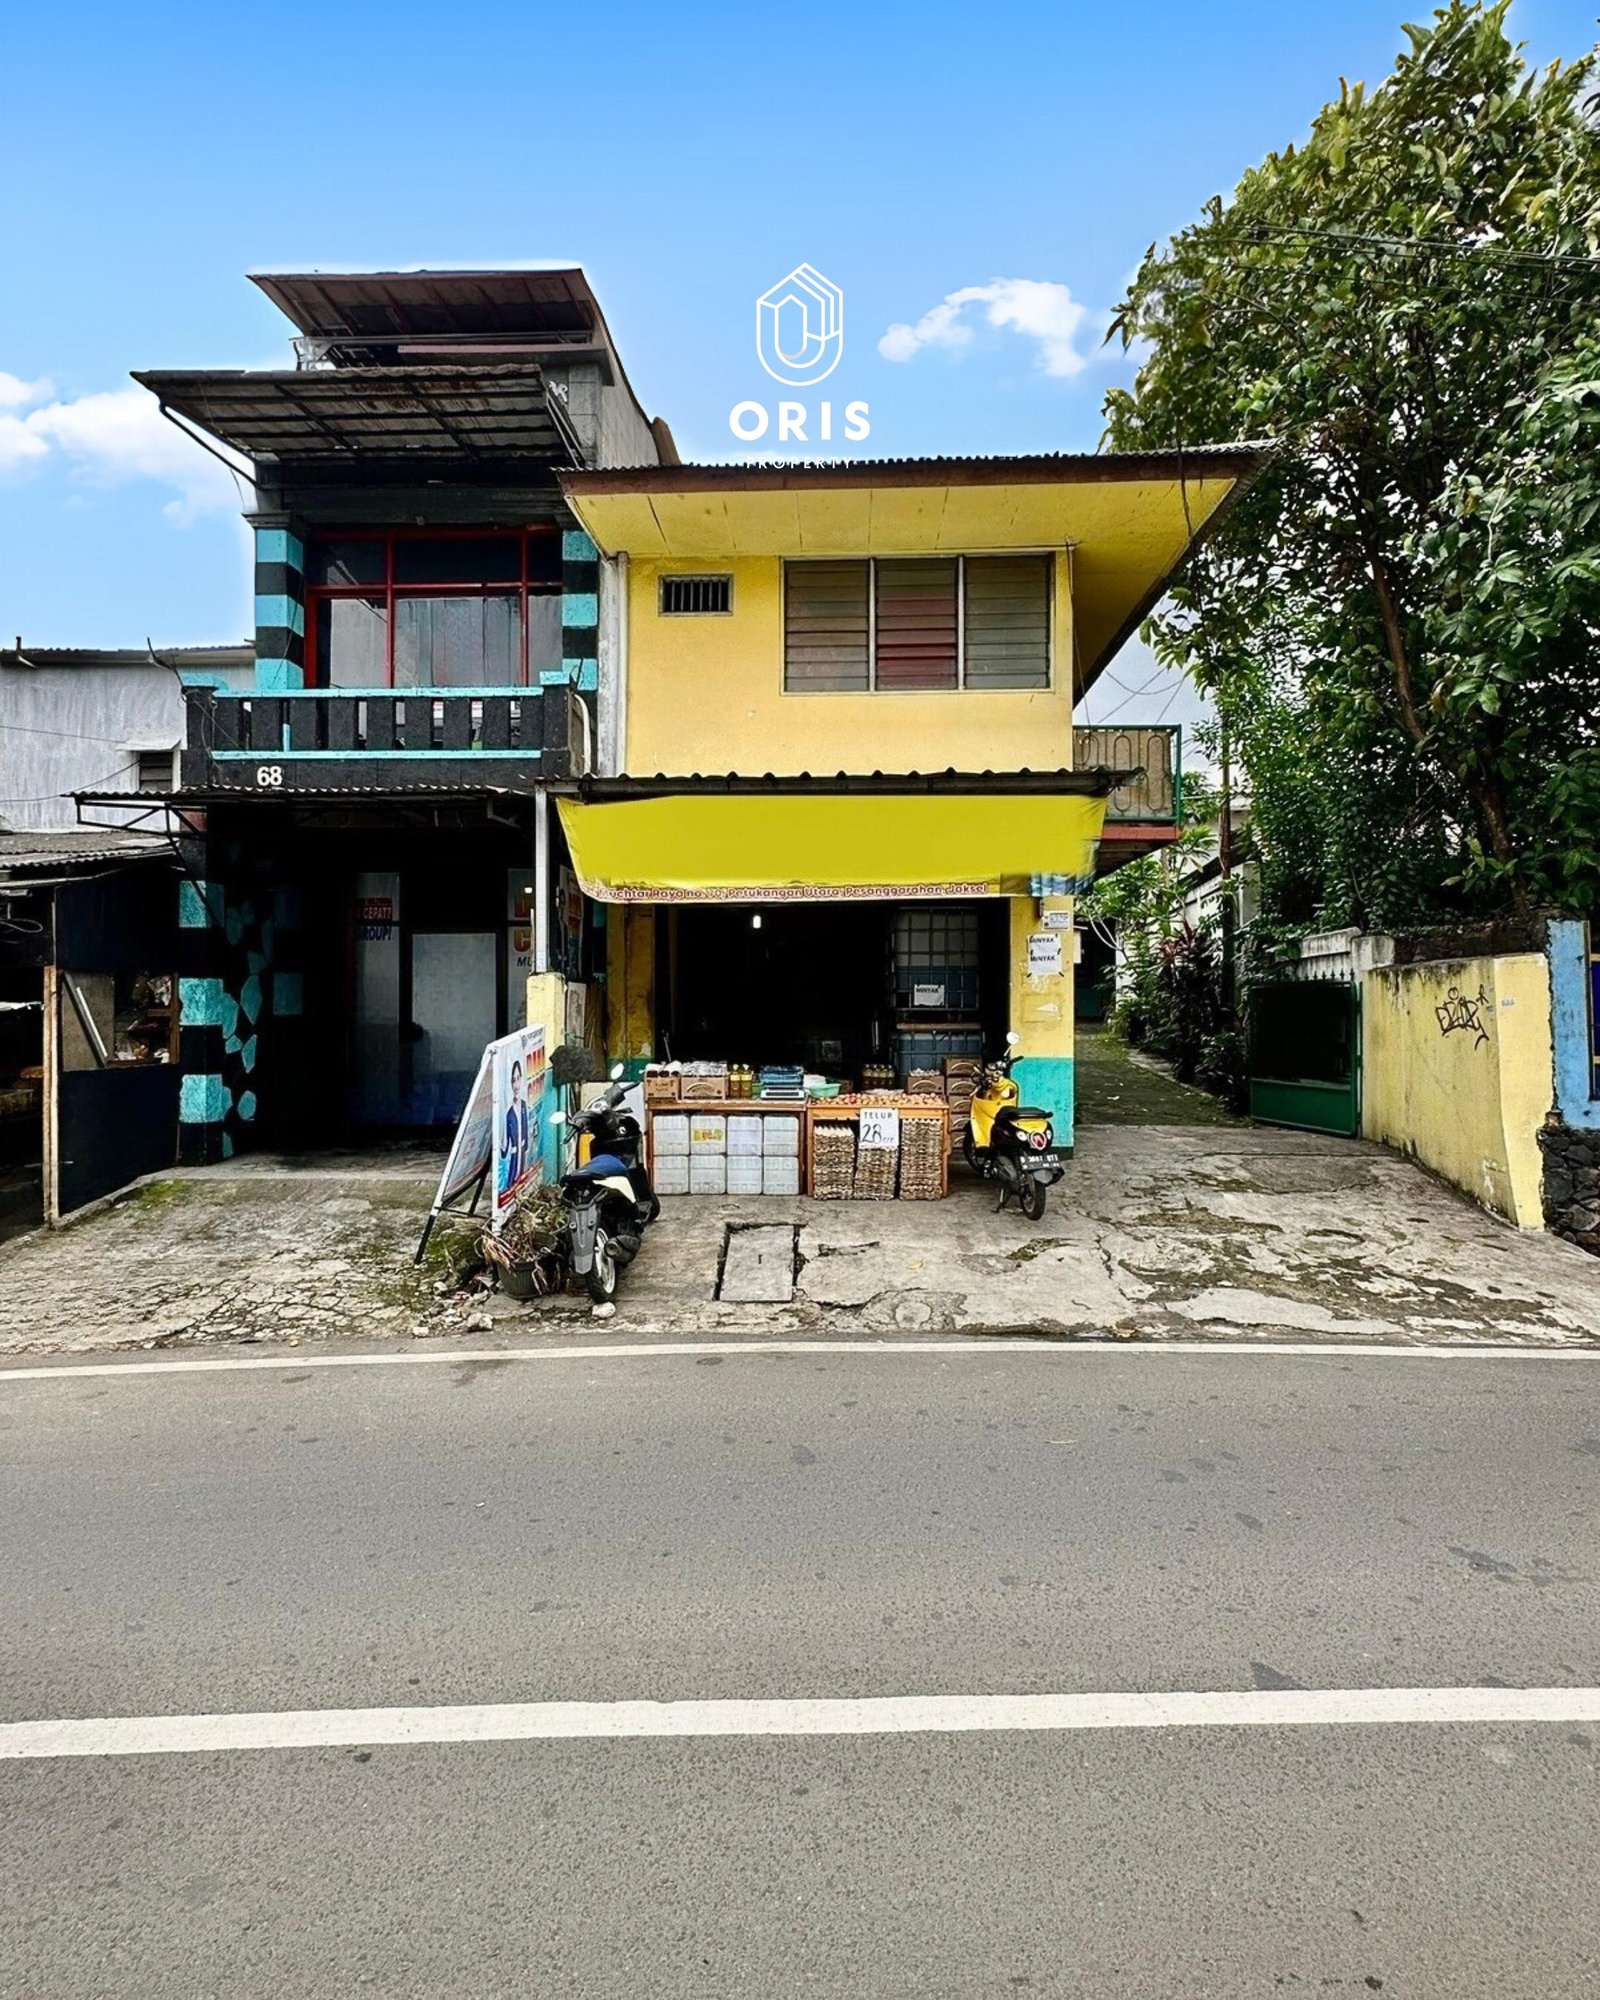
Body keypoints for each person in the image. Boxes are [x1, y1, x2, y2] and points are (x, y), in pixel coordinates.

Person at [499, 1058, 530, 1194]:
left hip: (521, 1155)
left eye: (518, 1079)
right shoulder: (509, 1114)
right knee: (511, 1183)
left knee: (521, 1182)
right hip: (513, 1157)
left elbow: (526, 1136)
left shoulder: (523, 1106)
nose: (516, 1085)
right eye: (513, 1080)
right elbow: (504, 1149)